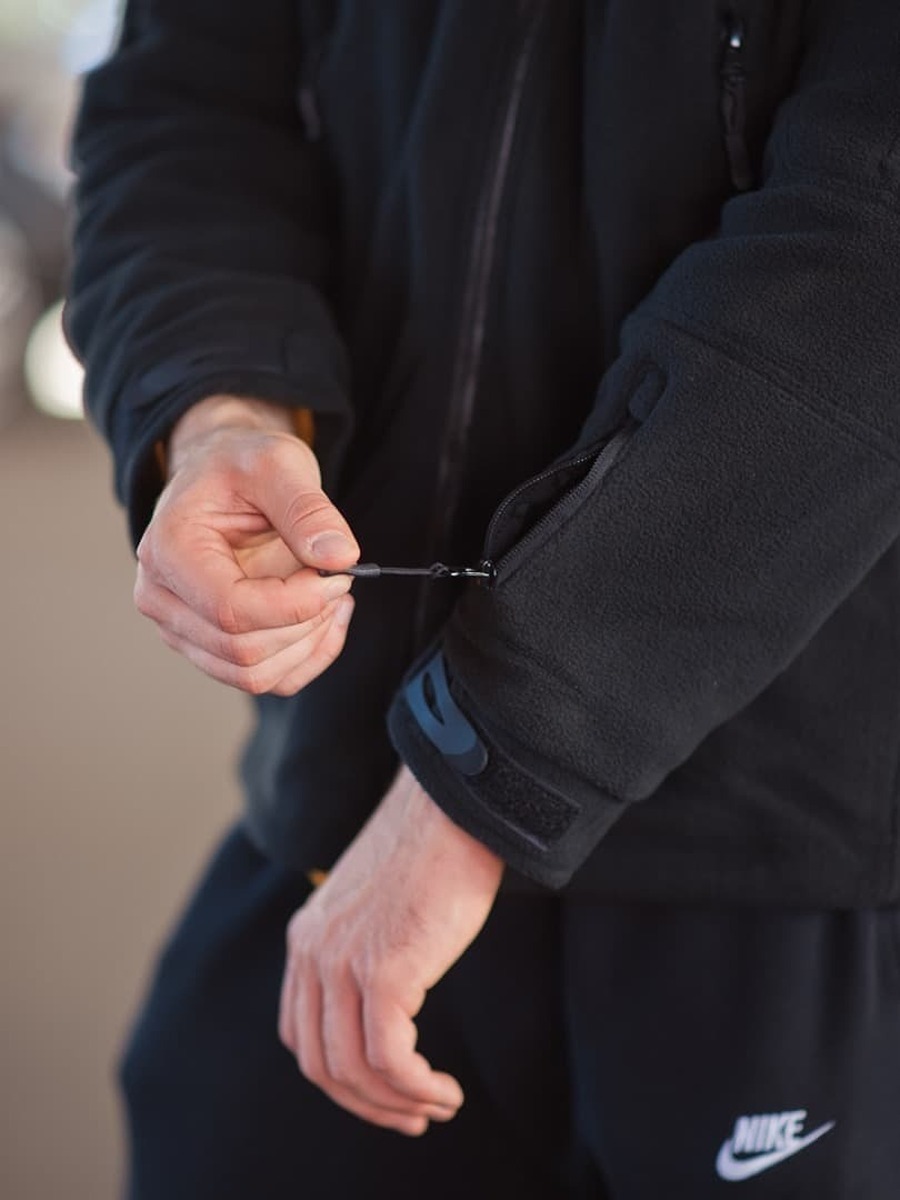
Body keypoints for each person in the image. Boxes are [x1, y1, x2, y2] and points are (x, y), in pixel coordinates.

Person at [67, 1, 900, 1196]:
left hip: (780, 876)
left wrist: (488, 775)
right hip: (343, 811)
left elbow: (866, 257)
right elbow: (187, 109)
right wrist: (219, 411)